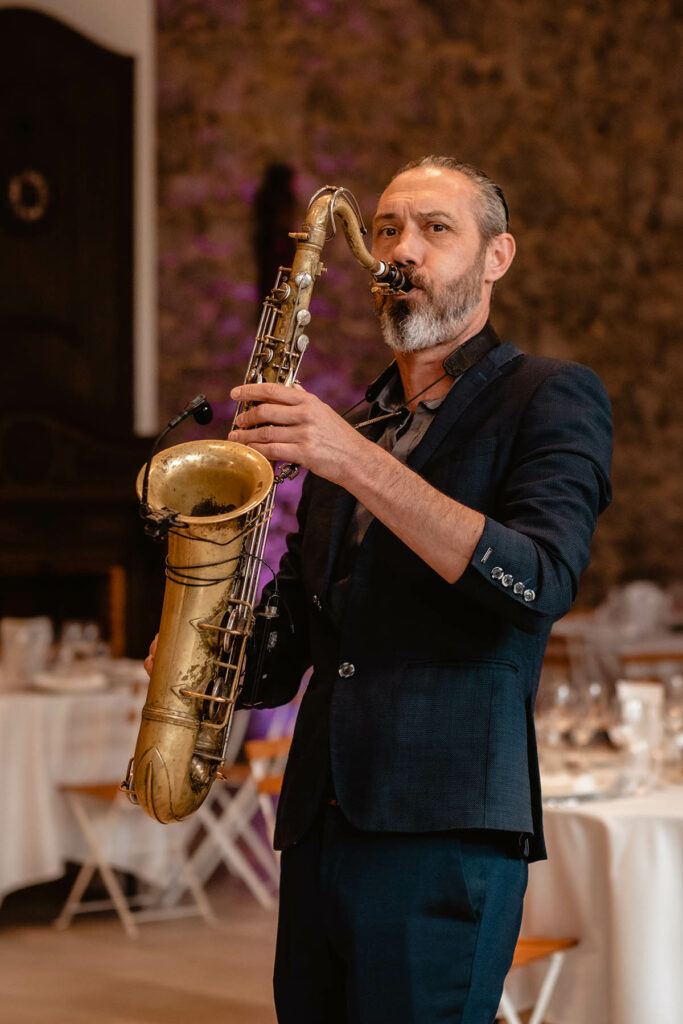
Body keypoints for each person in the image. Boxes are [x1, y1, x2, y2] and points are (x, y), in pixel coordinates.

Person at [148, 156, 613, 1023]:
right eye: (389, 228)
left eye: (436, 229)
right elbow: (299, 644)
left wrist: (348, 458)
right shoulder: (355, 425)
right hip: (320, 828)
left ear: (495, 258)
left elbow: (537, 581)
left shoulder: (549, 397)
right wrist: (200, 647)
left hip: (445, 830)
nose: (401, 249)